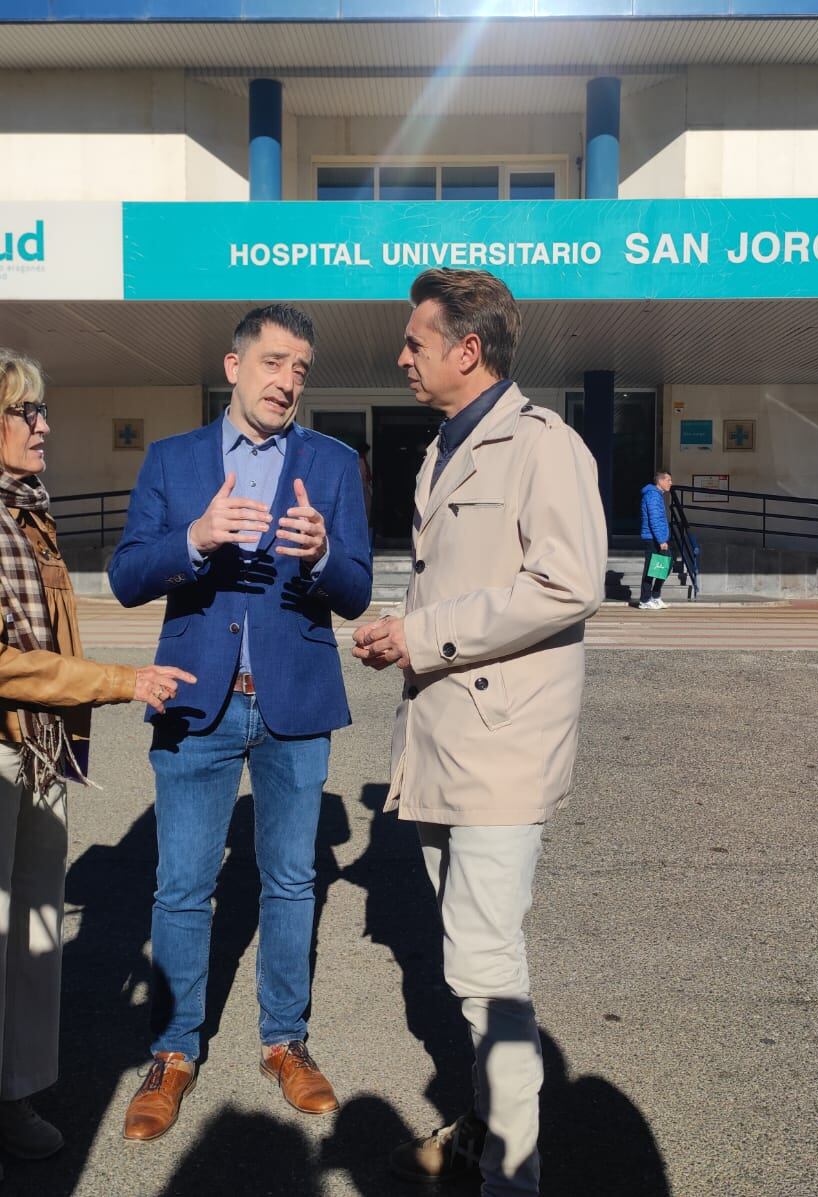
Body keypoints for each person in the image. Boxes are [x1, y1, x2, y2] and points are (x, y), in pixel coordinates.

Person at [0, 346, 195, 1196]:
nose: (45, 425)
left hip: (34, 745)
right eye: (28, 411)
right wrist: (121, 683)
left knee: (29, 933)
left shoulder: (20, 509)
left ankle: (6, 1097)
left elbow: (49, 630)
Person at [353, 268, 606, 1196]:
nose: (401, 355)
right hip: (444, 746)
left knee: (487, 968)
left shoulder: (546, 448)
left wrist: (420, 634)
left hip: (501, 750)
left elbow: (568, 583)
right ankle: (484, 1131)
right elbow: (464, 586)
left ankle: (512, 1176)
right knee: (469, 967)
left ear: (469, 349)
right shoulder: (441, 451)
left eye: (415, 341)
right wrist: (402, 628)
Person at [108, 304, 372, 1141]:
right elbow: (124, 576)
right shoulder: (173, 460)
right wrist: (194, 536)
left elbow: (359, 588)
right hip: (197, 698)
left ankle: (285, 1041)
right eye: (273, 363)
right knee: (184, 884)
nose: (288, 381)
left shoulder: (332, 464)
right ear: (234, 367)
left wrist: (324, 555)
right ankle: (175, 1050)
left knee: (293, 882)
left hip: (295, 699)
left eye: (300, 368)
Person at [638, 471, 673, 610]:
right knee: (651, 569)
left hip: (656, 538)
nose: (671, 483)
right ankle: (645, 599)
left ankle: (655, 596)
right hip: (653, 538)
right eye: (668, 480)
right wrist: (661, 540)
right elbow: (654, 520)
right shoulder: (653, 496)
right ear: (660, 481)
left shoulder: (657, 495)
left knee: (664, 566)